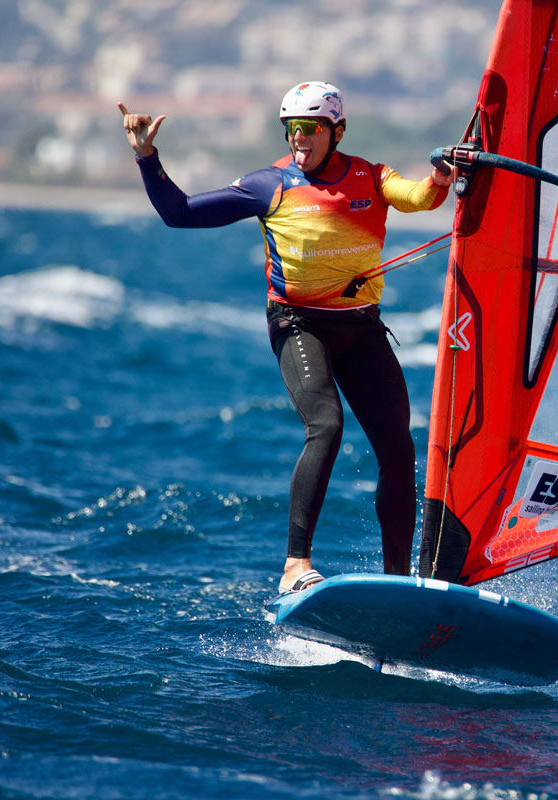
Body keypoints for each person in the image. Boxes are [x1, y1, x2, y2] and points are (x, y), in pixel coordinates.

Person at [119, 81, 450, 596]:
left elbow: (422, 197)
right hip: (299, 325)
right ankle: (296, 564)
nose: (299, 138)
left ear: (336, 131)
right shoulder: (268, 184)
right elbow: (179, 213)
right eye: (291, 128)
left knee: (397, 448)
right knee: (327, 426)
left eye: (310, 128)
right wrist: (147, 157)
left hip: (360, 325)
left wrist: (443, 174)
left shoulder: (371, 176)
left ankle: (397, 584)